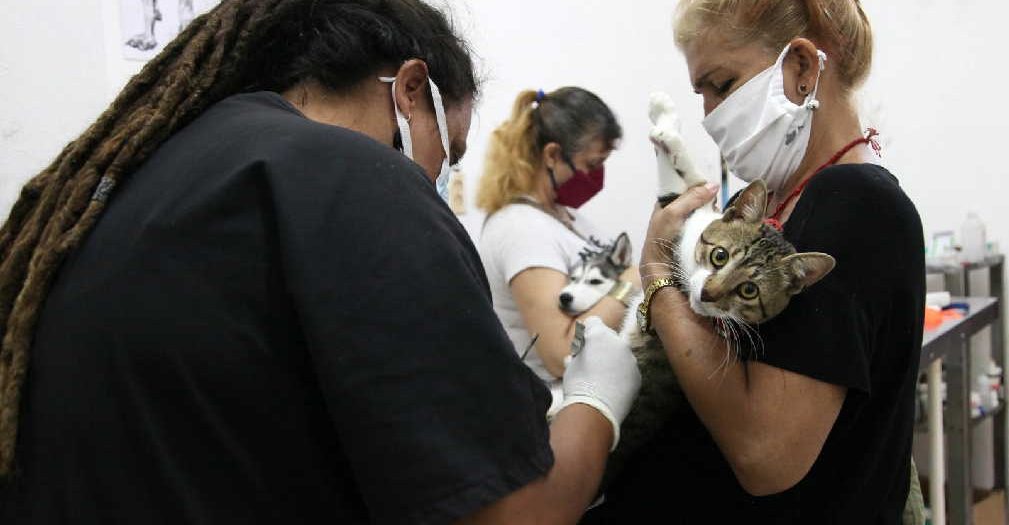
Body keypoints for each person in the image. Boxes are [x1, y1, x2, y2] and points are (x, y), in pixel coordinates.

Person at [0, 1, 642, 523]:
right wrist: (596, 398)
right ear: (411, 91)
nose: (442, 177)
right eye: (450, 151)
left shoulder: (147, 177)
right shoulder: (353, 173)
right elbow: (517, 514)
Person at [583, 1, 925, 523]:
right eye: (701, 94)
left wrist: (657, 277)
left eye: (721, 85)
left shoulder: (852, 201)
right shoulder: (792, 201)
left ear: (803, 68)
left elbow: (765, 455)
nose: (709, 116)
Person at [477, 88, 640, 416]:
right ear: (552, 155)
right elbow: (562, 352)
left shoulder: (569, 218)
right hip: (558, 412)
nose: (596, 177)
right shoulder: (520, 228)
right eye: (592, 164)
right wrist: (630, 283)